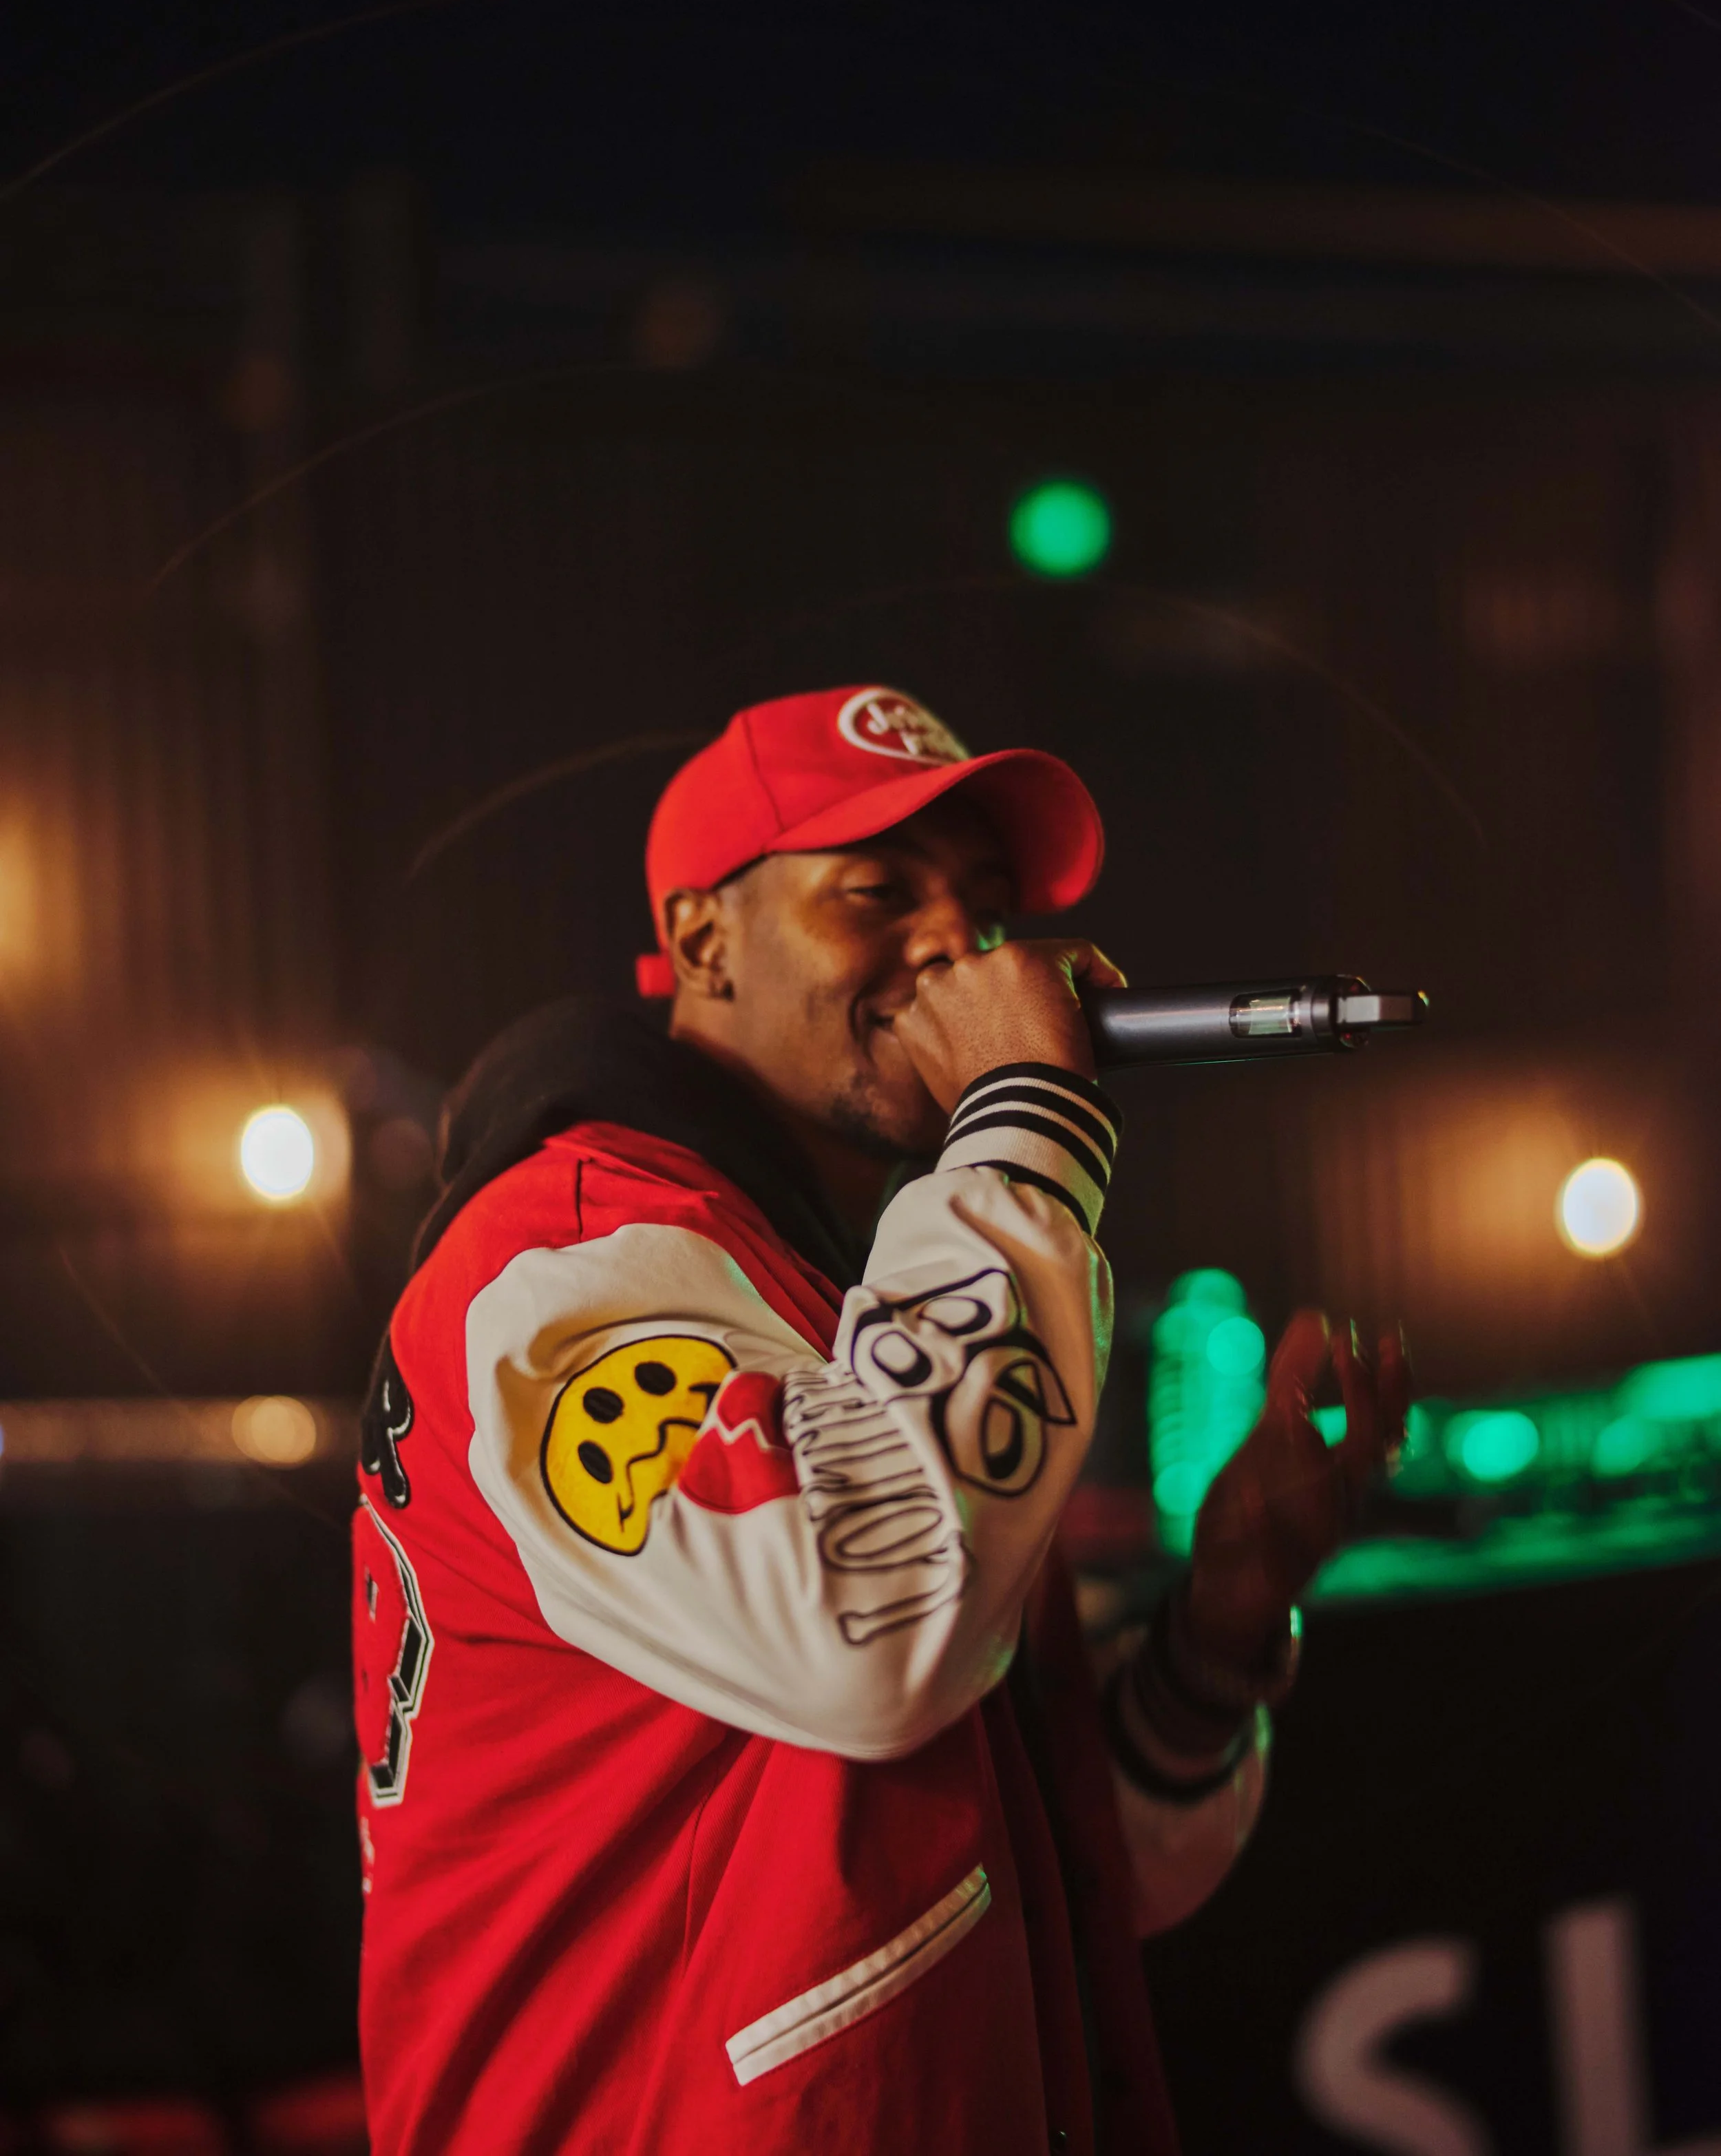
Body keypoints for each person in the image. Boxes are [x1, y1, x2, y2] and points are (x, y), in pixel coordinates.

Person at [350, 682, 1409, 2156]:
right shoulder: (565, 1260)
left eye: (983, 905)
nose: (954, 945)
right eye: (874, 889)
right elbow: (870, 1636)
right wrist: (1031, 1116)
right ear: (704, 940)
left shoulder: (834, 1295)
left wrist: (1219, 1627)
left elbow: (1009, 1852)